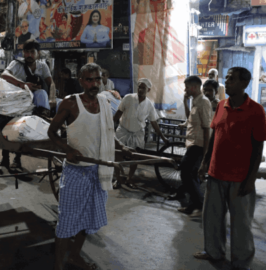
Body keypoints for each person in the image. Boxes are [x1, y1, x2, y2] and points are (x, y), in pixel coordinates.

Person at [47, 63, 132, 270]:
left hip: (97, 170)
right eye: (89, 80)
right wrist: (67, 149)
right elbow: (51, 133)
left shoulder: (104, 102)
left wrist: (121, 147)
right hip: (76, 172)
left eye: (97, 79)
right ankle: (58, 266)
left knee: (87, 218)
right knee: (67, 222)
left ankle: (75, 255)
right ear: (81, 81)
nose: (95, 84)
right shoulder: (70, 103)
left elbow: (108, 131)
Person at [193, 67, 266, 270]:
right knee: (212, 219)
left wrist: (251, 179)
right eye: (227, 77)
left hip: (240, 178)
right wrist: (205, 162)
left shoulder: (256, 110)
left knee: (241, 225)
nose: (228, 81)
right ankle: (214, 252)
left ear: (244, 83)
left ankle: (241, 263)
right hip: (216, 173)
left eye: (232, 79)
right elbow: (215, 135)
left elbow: (258, 146)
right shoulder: (221, 105)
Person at [0, 39, 52, 169]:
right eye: (26, 52)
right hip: (16, 100)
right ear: (23, 53)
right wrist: (22, 84)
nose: (29, 55)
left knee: (43, 94)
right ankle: (6, 158)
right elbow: (4, 75)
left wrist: (53, 98)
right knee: (10, 126)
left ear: (38, 53)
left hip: (33, 103)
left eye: (32, 52)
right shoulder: (16, 63)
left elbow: (51, 83)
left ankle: (44, 118)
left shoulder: (42, 66)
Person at [113, 78, 170, 189]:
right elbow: (117, 115)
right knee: (118, 156)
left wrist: (163, 137)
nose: (140, 89)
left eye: (143, 87)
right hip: (123, 131)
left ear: (148, 90)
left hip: (138, 134)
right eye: (139, 87)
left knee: (135, 157)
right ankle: (118, 179)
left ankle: (129, 178)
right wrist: (109, 128)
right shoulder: (128, 98)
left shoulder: (149, 105)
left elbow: (154, 123)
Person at [169, 76, 211, 217]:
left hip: (198, 145)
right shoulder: (195, 101)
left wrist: (205, 154)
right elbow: (190, 119)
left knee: (186, 173)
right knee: (191, 175)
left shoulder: (203, 103)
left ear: (193, 87)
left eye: (186, 87)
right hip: (192, 143)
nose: (185, 89)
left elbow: (207, 129)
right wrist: (185, 101)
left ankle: (200, 205)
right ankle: (192, 205)